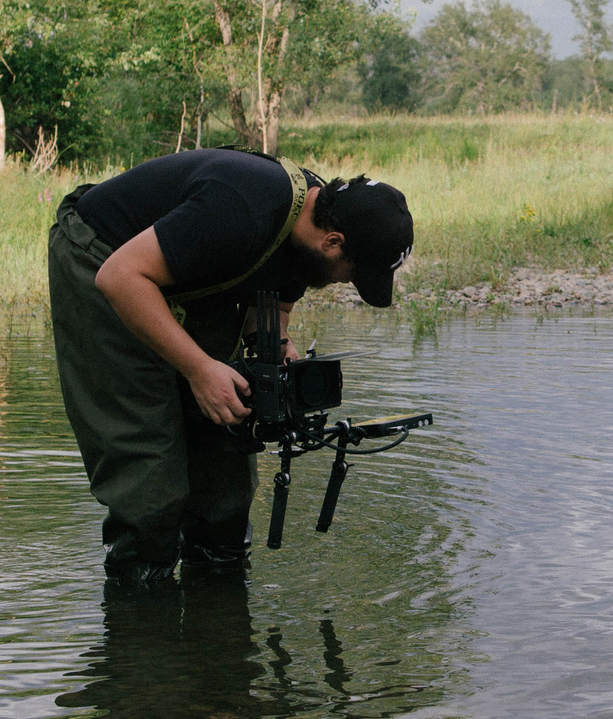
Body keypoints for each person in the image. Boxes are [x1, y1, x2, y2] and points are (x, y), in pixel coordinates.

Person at [48, 148, 414, 591]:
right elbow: (119, 276)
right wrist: (199, 369)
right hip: (106, 256)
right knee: (147, 467)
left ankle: (219, 595)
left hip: (190, 268)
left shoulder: (316, 217)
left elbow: (278, 297)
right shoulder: (242, 209)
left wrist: (275, 342)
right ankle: (141, 606)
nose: (344, 282)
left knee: (227, 442)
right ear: (333, 242)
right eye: (350, 274)